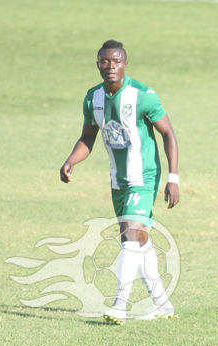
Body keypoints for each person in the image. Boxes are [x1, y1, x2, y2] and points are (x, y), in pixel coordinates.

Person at [60, 40, 180, 325]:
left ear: (125, 64)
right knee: (138, 239)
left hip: (144, 178)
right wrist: (71, 161)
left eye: (116, 61)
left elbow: (169, 135)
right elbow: (87, 138)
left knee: (128, 235)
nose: (110, 66)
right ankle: (162, 304)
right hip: (119, 180)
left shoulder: (143, 95)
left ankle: (120, 304)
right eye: (105, 61)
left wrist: (173, 179)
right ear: (98, 64)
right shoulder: (93, 98)